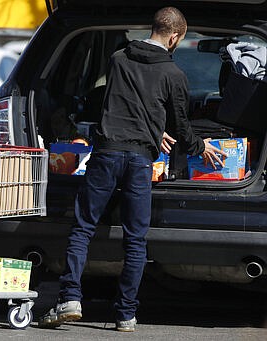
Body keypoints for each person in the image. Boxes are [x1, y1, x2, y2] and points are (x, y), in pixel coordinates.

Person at [38, 7, 226, 332]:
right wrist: (201, 146)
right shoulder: (174, 74)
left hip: (107, 153)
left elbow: (122, 104)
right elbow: (181, 127)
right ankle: (125, 314)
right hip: (140, 160)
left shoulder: (118, 59)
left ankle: (69, 298)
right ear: (175, 36)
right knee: (135, 240)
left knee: (83, 228)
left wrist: (154, 130)